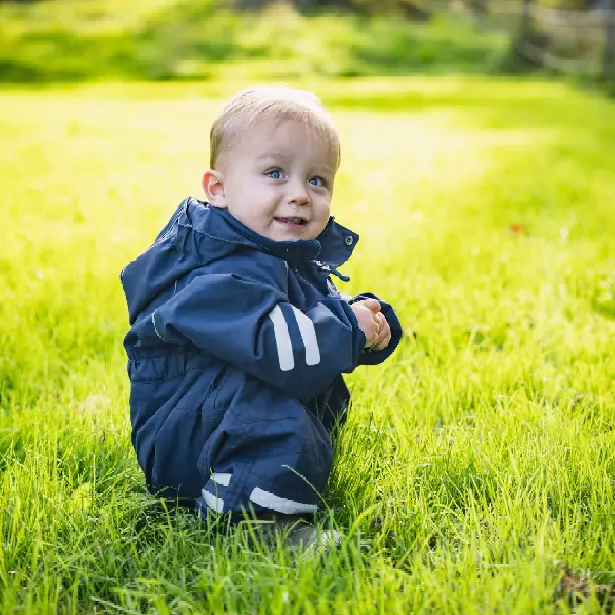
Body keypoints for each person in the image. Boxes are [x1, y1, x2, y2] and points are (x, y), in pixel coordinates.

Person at [120, 86, 403, 551]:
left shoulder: (271, 253)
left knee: (280, 407)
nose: (300, 195)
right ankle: (254, 526)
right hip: (189, 440)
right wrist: (348, 329)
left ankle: (262, 489)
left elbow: (313, 311)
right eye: (275, 173)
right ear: (219, 189)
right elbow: (283, 348)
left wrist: (367, 320)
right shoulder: (215, 272)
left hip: (217, 420)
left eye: (318, 180)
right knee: (270, 411)